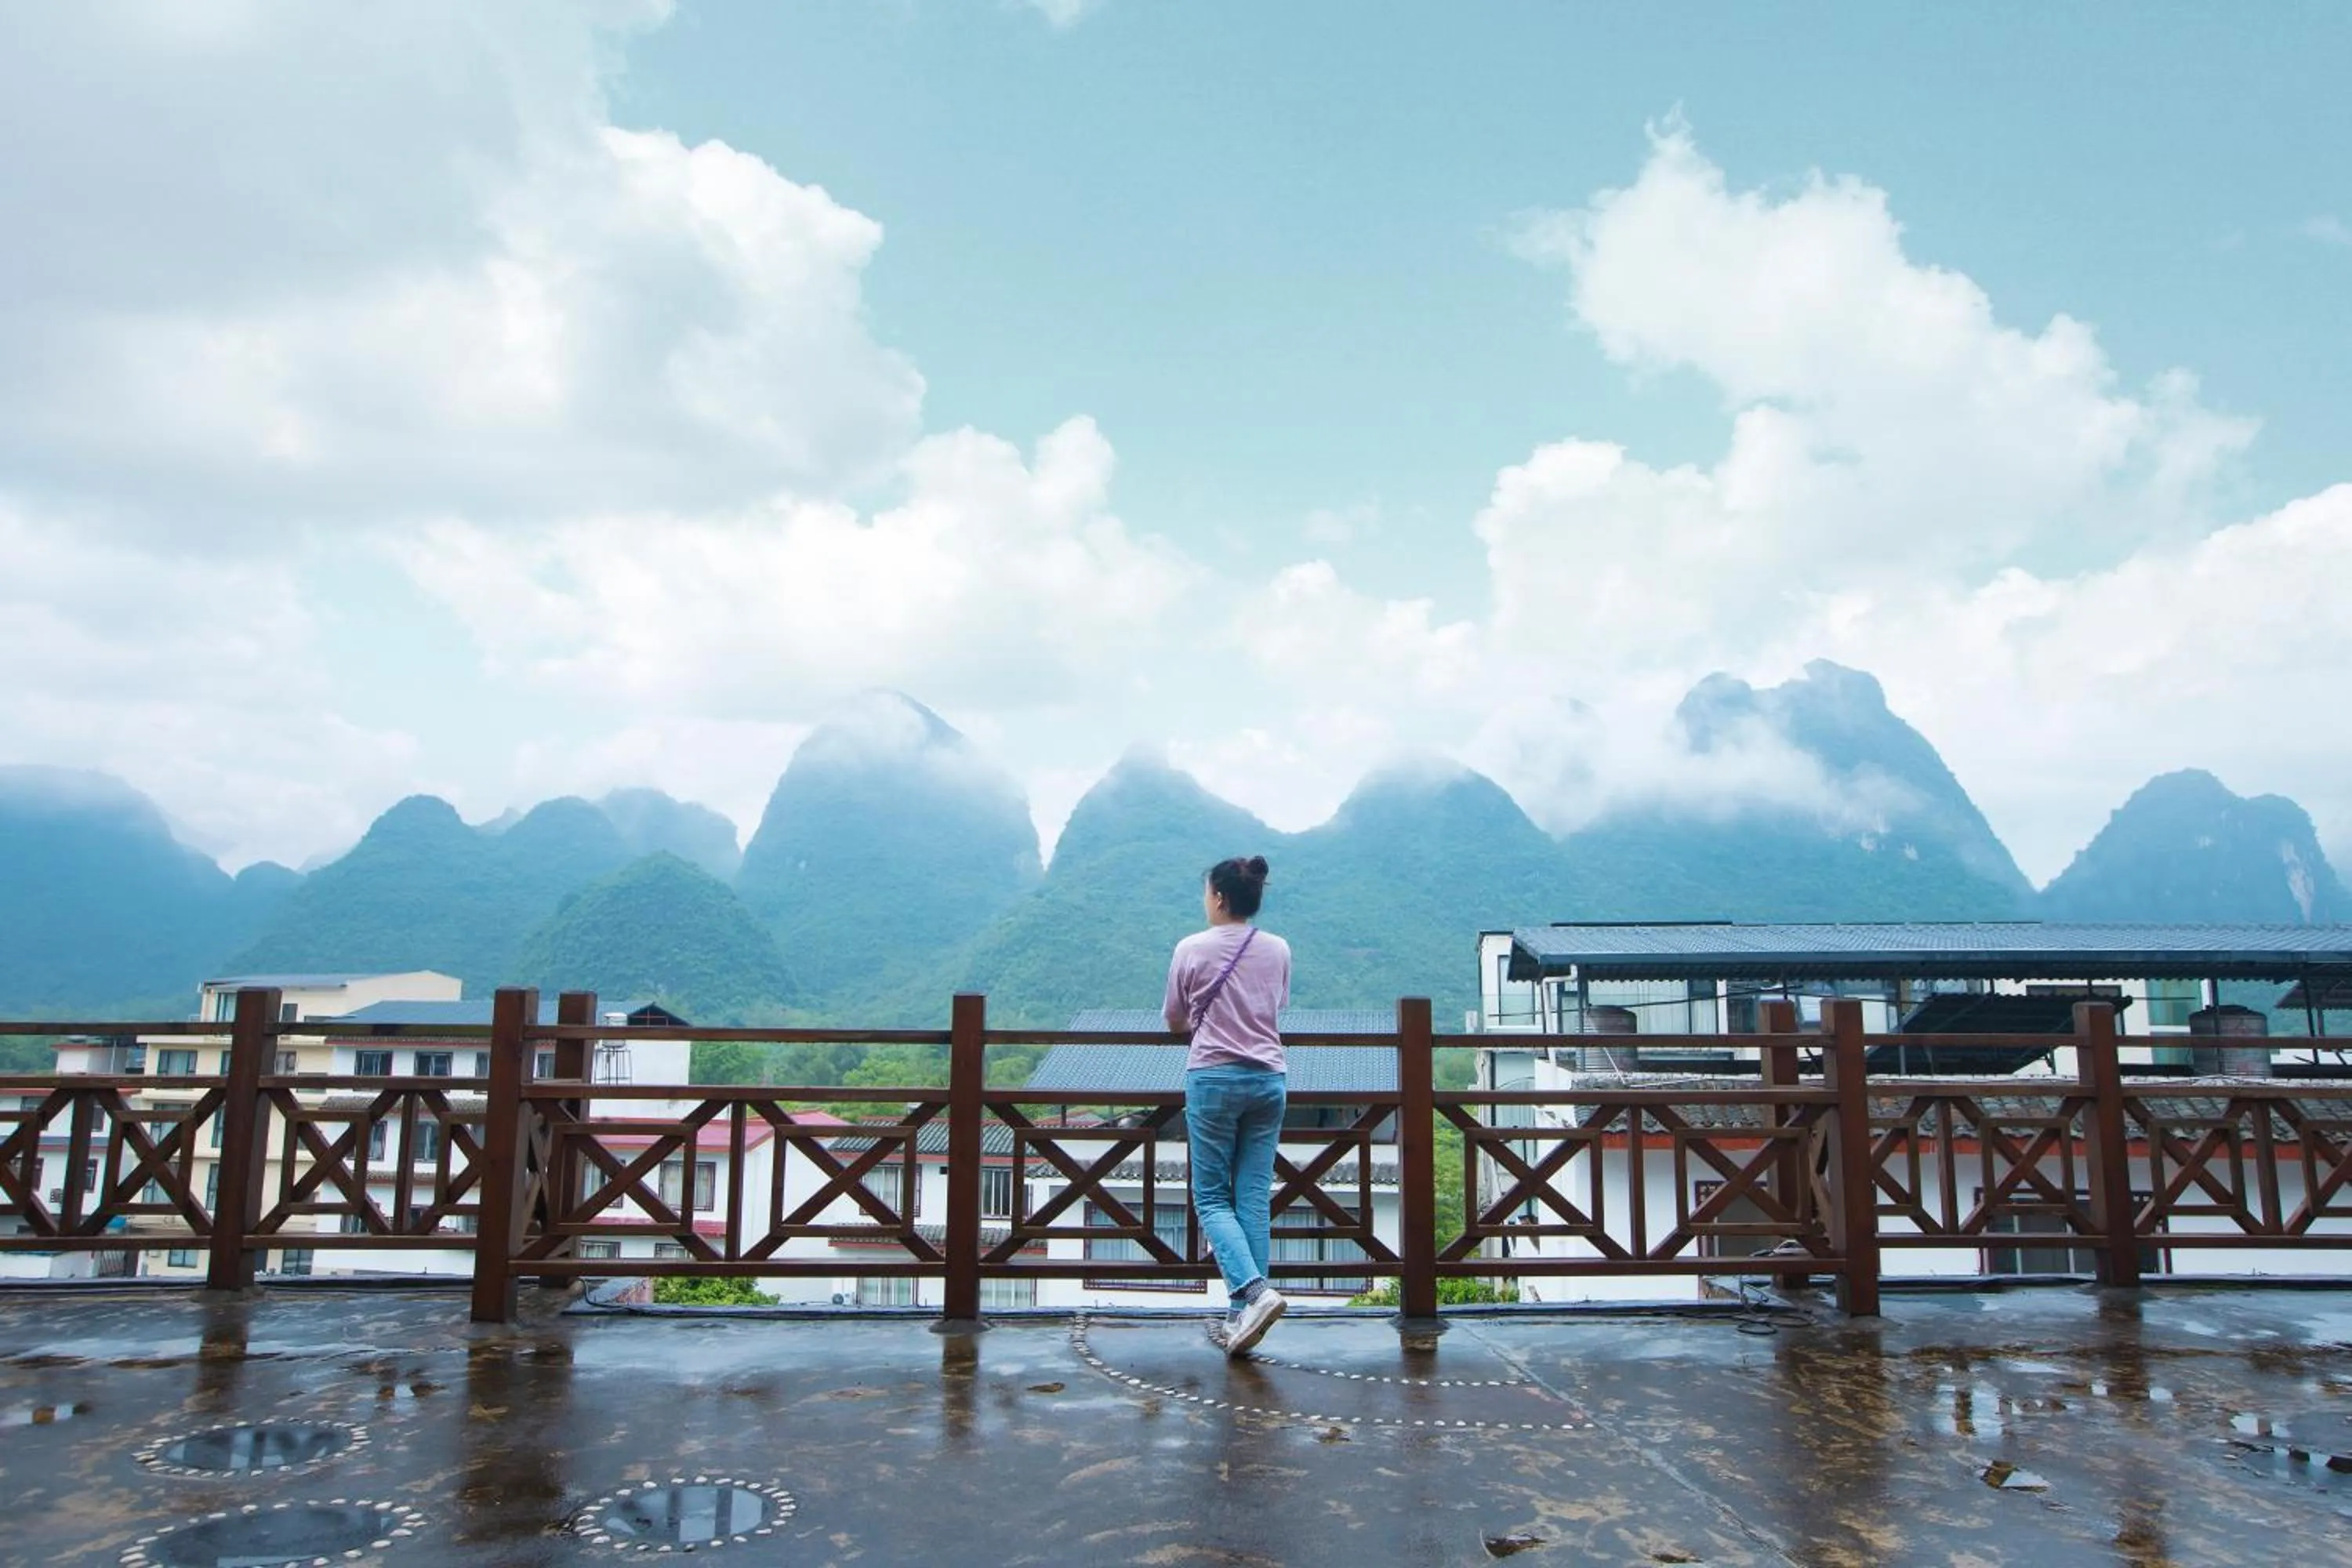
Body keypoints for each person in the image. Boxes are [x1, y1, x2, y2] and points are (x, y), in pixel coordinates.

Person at [1164, 854, 1291, 1358]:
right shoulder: (1278, 948)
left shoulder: (1191, 949)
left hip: (1213, 1078)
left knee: (1212, 1199)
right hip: (1268, 1079)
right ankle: (1243, 1317)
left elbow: (1174, 1020)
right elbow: (1275, 1006)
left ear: (1218, 897)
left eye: (1205, 894)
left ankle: (1255, 1296)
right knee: (1253, 1199)